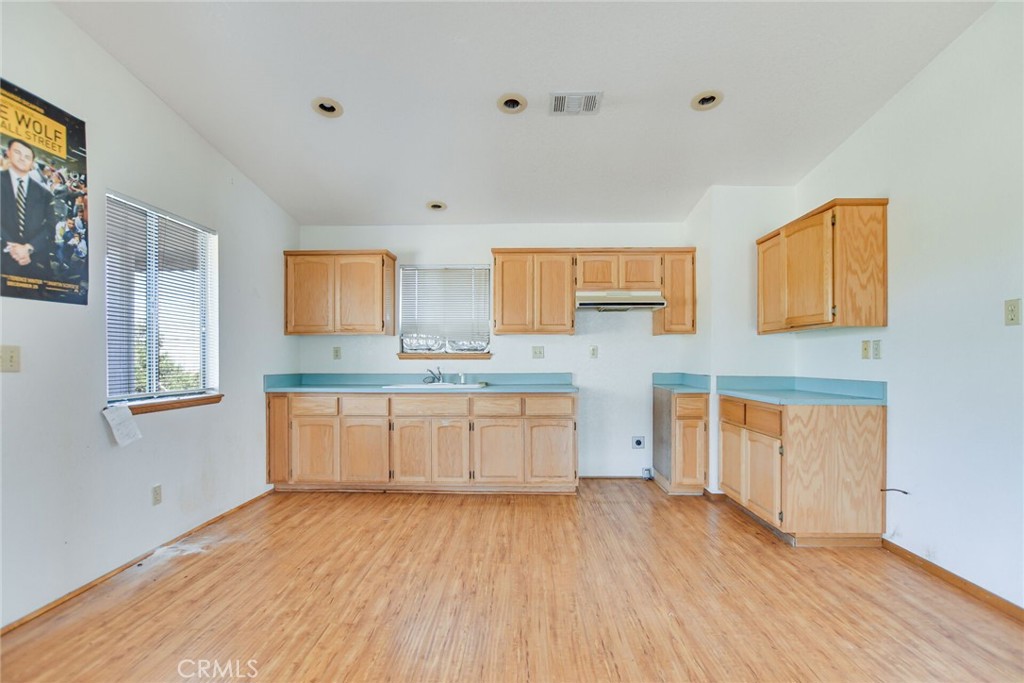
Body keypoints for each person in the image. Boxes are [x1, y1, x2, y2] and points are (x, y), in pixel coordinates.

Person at [1, 138, 56, 287]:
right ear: (8, 153)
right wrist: (11, 248)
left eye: (27, 157)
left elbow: (50, 227)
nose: (22, 158)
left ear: (32, 163)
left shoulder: (44, 194)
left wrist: (28, 248)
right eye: (17, 152)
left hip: (35, 265)